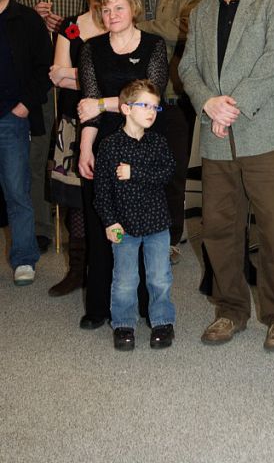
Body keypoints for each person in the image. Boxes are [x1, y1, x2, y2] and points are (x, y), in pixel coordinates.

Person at [179, 0, 274, 351]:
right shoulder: (201, 12)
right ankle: (230, 309)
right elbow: (188, 68)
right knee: (219, 230)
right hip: (218, 140)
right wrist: (207, 102)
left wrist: (232, 106)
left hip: (265, 133)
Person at [77, 0, 168, 330]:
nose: (112, 14)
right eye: (105, 9)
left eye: (119, 7)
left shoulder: (154, 46)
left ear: (133, 8)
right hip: (105, 143)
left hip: (144, 144)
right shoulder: (91, 48)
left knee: (141, 224)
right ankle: (99, 305)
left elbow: (150, 97)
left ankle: (145, 304)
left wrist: (101, 103)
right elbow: (88, 108)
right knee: (103, 221)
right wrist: (86, 148)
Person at [48, 0, 126, 296]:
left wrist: (75, 74)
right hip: (73, 122)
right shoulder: (70, 27)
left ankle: (115, 270)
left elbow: (120, 81)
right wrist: (94, 75)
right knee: (75, 203)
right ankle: (78, 270)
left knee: (113, 200)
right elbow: (56, 76)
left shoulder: (119, 25)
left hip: (111, 125)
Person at [12, 0, 87, 252]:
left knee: (73, 152)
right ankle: (42, 227)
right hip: (36, 84)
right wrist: (32, 20)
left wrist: (64, 28)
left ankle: (78, 226)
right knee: (38, 155)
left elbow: (94, 28)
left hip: (74, 82)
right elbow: (11, 32)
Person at [94, 79, 176, 351]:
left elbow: (167, 173)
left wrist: (134, 172)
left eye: (155, 107)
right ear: (126, 109)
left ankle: (162, 322)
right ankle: (123, 324)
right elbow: (102, 190)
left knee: (159, 277)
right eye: (145, 105)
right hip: (124, 225)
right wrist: (110, 221)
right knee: (125, 280)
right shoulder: (110, 146)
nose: (152, 112)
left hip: (157, 224)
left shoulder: (158, 143)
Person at [136, 0, 201, 258]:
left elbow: (183, 30)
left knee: (173, 173)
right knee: (138, 171)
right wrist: (160, 26)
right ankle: (141, 232)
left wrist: (139, 27)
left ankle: (172, 239)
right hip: (135, 99)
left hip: (175, 98)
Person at [0, 0, 52, 284]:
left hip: (11, 119)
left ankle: (24, 258)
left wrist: (24, 106)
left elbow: (44, 68)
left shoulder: (28, 21)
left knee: (17, 190)